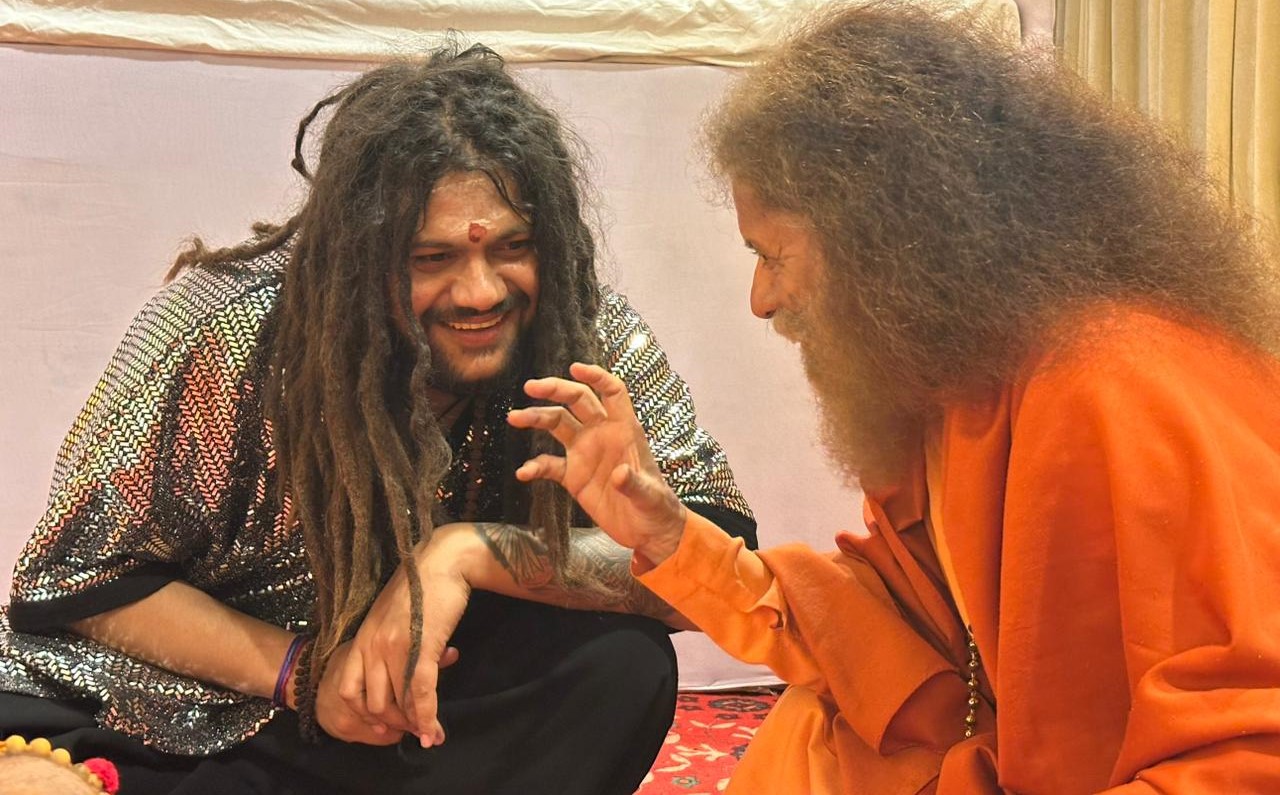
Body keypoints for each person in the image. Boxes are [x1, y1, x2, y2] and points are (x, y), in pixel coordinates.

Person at [508, 3, 1280, 793]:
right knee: (818, 730)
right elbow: (876, 635)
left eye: (772, 255)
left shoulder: (1119, 380)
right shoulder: (965, 389)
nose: (759, 300)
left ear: (883, 239)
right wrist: (670, 534)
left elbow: (1248, 754)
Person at [0, 43, 756, 794]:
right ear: (361, 255)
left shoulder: (581, 338)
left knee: (621, 663)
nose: (481, 292)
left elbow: (723, 577)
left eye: (513, 247)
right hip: (184, 710)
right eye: (432, 259)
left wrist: (465, 552)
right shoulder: (228, 331)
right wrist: (302, 674)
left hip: (410, 716)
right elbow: (79, 582)